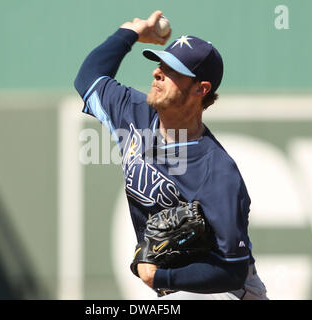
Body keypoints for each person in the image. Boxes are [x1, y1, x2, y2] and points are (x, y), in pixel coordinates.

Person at [74, 10, 268, 300]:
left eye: (173, 71)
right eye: (160, 64)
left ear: (200, 90)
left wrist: (159, 277)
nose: (157, 72)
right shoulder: (133, 112)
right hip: (179, 285)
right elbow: (88, 78)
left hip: (223, 291)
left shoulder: (216, 171)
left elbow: (233, 268)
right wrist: (129, 32)